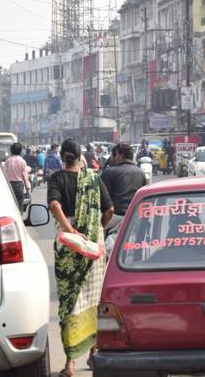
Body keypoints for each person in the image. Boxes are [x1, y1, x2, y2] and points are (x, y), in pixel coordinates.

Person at [47, 139, 113, 377]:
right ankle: (93, 354)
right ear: (79, 157)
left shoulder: (56, 179)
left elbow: (55, 205)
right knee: (92, 303)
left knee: (69, 305)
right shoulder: (94, 178)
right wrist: (96, 232)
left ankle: (70, 365)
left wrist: (70, 231)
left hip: (67, 248)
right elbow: (110, 210)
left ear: (63, 158)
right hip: (93, 248)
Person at [100, 143, 147, 234]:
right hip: (136, 218)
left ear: (118, 154)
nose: (111, 159)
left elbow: (101, 200)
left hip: (113, 218)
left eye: (113, 155)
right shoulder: (140, 173)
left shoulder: (108, 172)